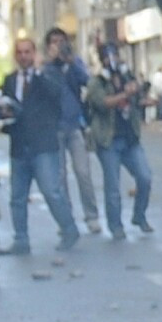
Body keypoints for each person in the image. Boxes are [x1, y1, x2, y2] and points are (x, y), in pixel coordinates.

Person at [0, 37, 80, 253]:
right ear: (15, 56)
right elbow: (2, 112)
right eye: (20, 52)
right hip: (19, 146)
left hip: (43, 145)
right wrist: (3, 114)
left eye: (27, 52)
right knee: (17, 197)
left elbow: (55, 95)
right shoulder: (9, 80)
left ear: (34, 54)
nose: (24, 56)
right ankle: (21, 240)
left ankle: (69, 229)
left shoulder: (47, 75)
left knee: (52, 191)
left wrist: (39, 72)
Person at [84, 46, 154, 239]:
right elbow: (102, 103)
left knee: (145, 177)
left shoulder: (127, 77)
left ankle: (139, 216)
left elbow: (138, 99)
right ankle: (116, 226)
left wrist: (140, 93)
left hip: (130, 138)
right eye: (108, 57)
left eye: (114, 55)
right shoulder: (97, 82)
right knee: (113, 186)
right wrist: (125, 94)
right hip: (108, 140)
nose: (112, 60)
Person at [43, 29, 100, 236]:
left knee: (83, 172)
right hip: (54, 127)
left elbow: (88, 81)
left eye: (62, 41)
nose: (58, 46)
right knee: (59, 177)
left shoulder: (73, 62)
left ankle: (91, 216)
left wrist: (71, 61)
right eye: (54, 42)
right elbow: (43, 87)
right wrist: (51, 63)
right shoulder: (45, 67)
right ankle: (65, 220)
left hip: (74, 125)